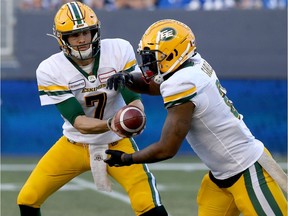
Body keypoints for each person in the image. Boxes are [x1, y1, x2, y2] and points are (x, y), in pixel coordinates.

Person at [105, 19, 288, 215]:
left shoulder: (183, 83)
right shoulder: (194, 62)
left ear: (173, 55)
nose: (148, 63)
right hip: (221, 178)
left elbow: (166, 149)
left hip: (248, 171)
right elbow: (159, 84)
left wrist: (127, 158)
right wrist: (128, 78)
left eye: (153, 57)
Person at [16, 2, 168, 216]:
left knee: (147, 203)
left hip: (117, 142)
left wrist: (135, 116)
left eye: (85, 32)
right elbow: (78, 121)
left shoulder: (118, 50)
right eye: (74, 35)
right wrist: (112, 123)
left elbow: (134, 100)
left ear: (94, 30)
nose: (82, 39)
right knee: (28, 199)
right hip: (74, 144)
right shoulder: (50, 69)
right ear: (62, 39)